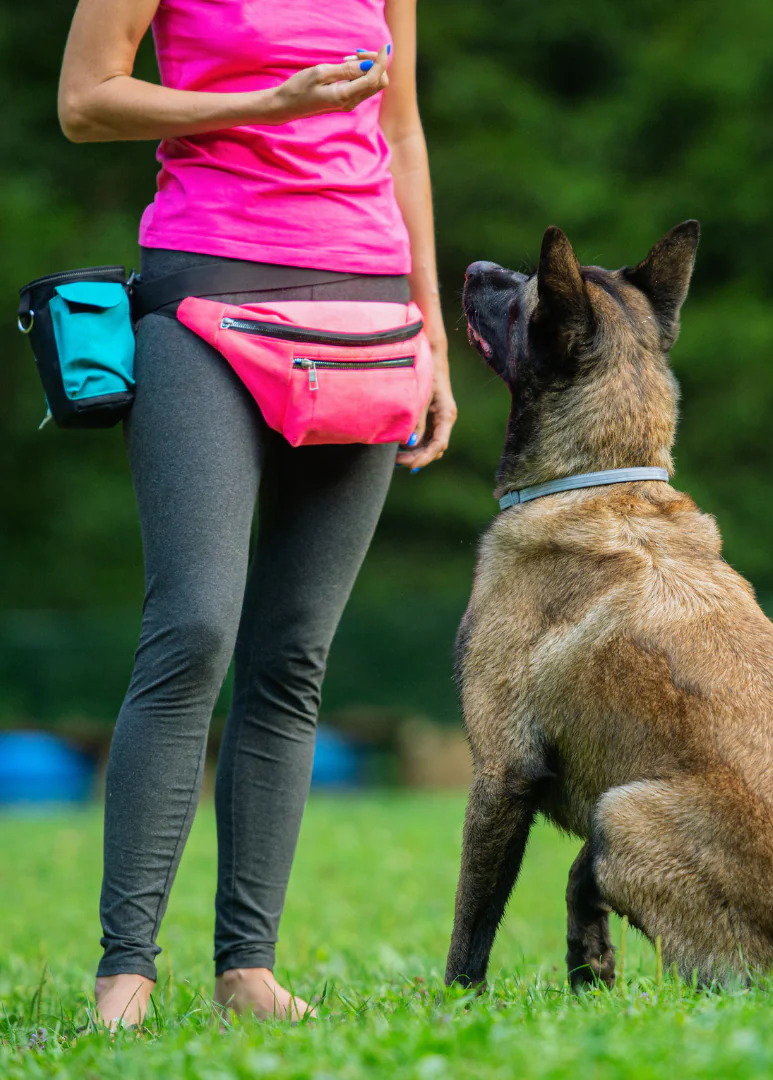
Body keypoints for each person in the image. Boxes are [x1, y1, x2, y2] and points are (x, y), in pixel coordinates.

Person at [57, 0, 455, 1027]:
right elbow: (85, 101)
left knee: (292, 654)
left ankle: (249, 970)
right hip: (206, 290)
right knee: (194, 627)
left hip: (366, 307)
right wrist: (265, 104)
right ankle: (125, 972)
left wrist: (431, 330)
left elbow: (400, 127)